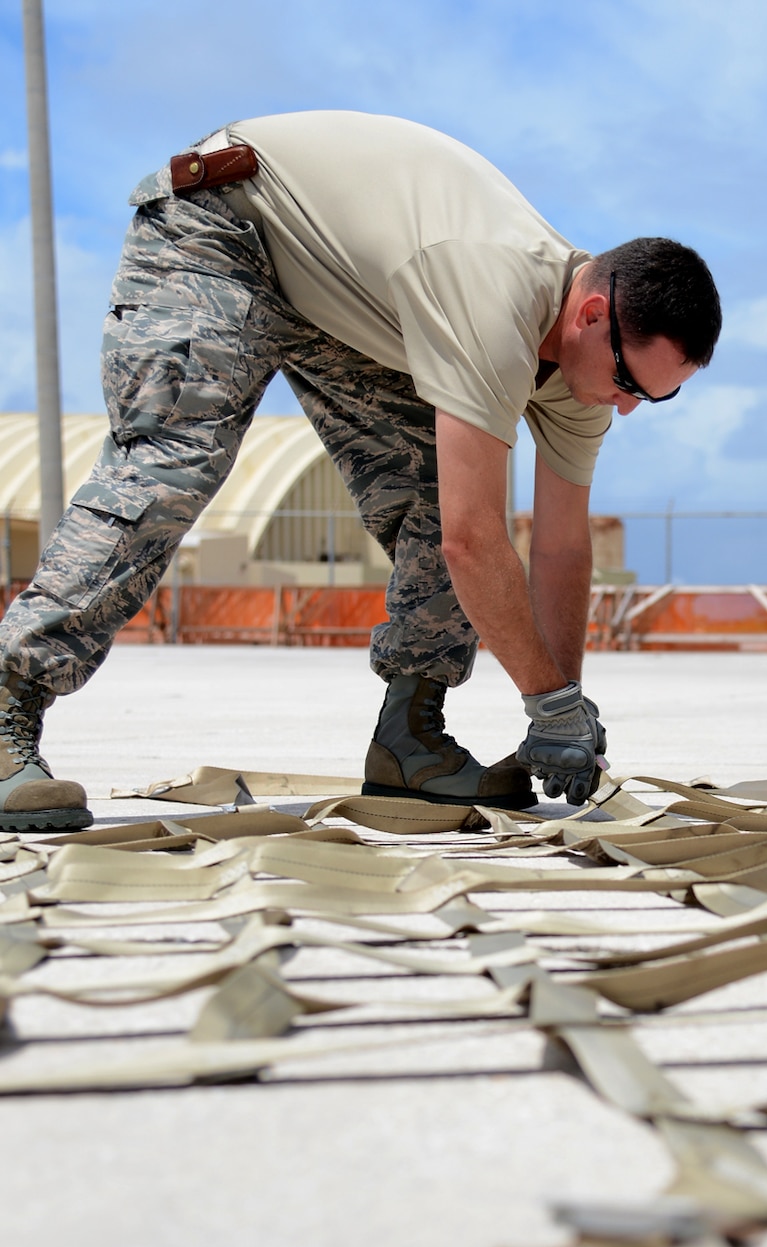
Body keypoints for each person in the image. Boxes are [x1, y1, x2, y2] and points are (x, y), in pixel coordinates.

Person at [0, 111, 722, 831]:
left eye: (655, 397)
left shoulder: (586, 375)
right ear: (591, 313)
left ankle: (409, 740)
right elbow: (473, 541)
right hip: (223, 228)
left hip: (335, 290)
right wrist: (548, 702)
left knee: (440, 489)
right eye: (629, 381)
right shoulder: (492, 294)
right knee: (173, 467)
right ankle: (7, 708)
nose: (629, 407)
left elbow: (562, 546)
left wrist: (564, 710)